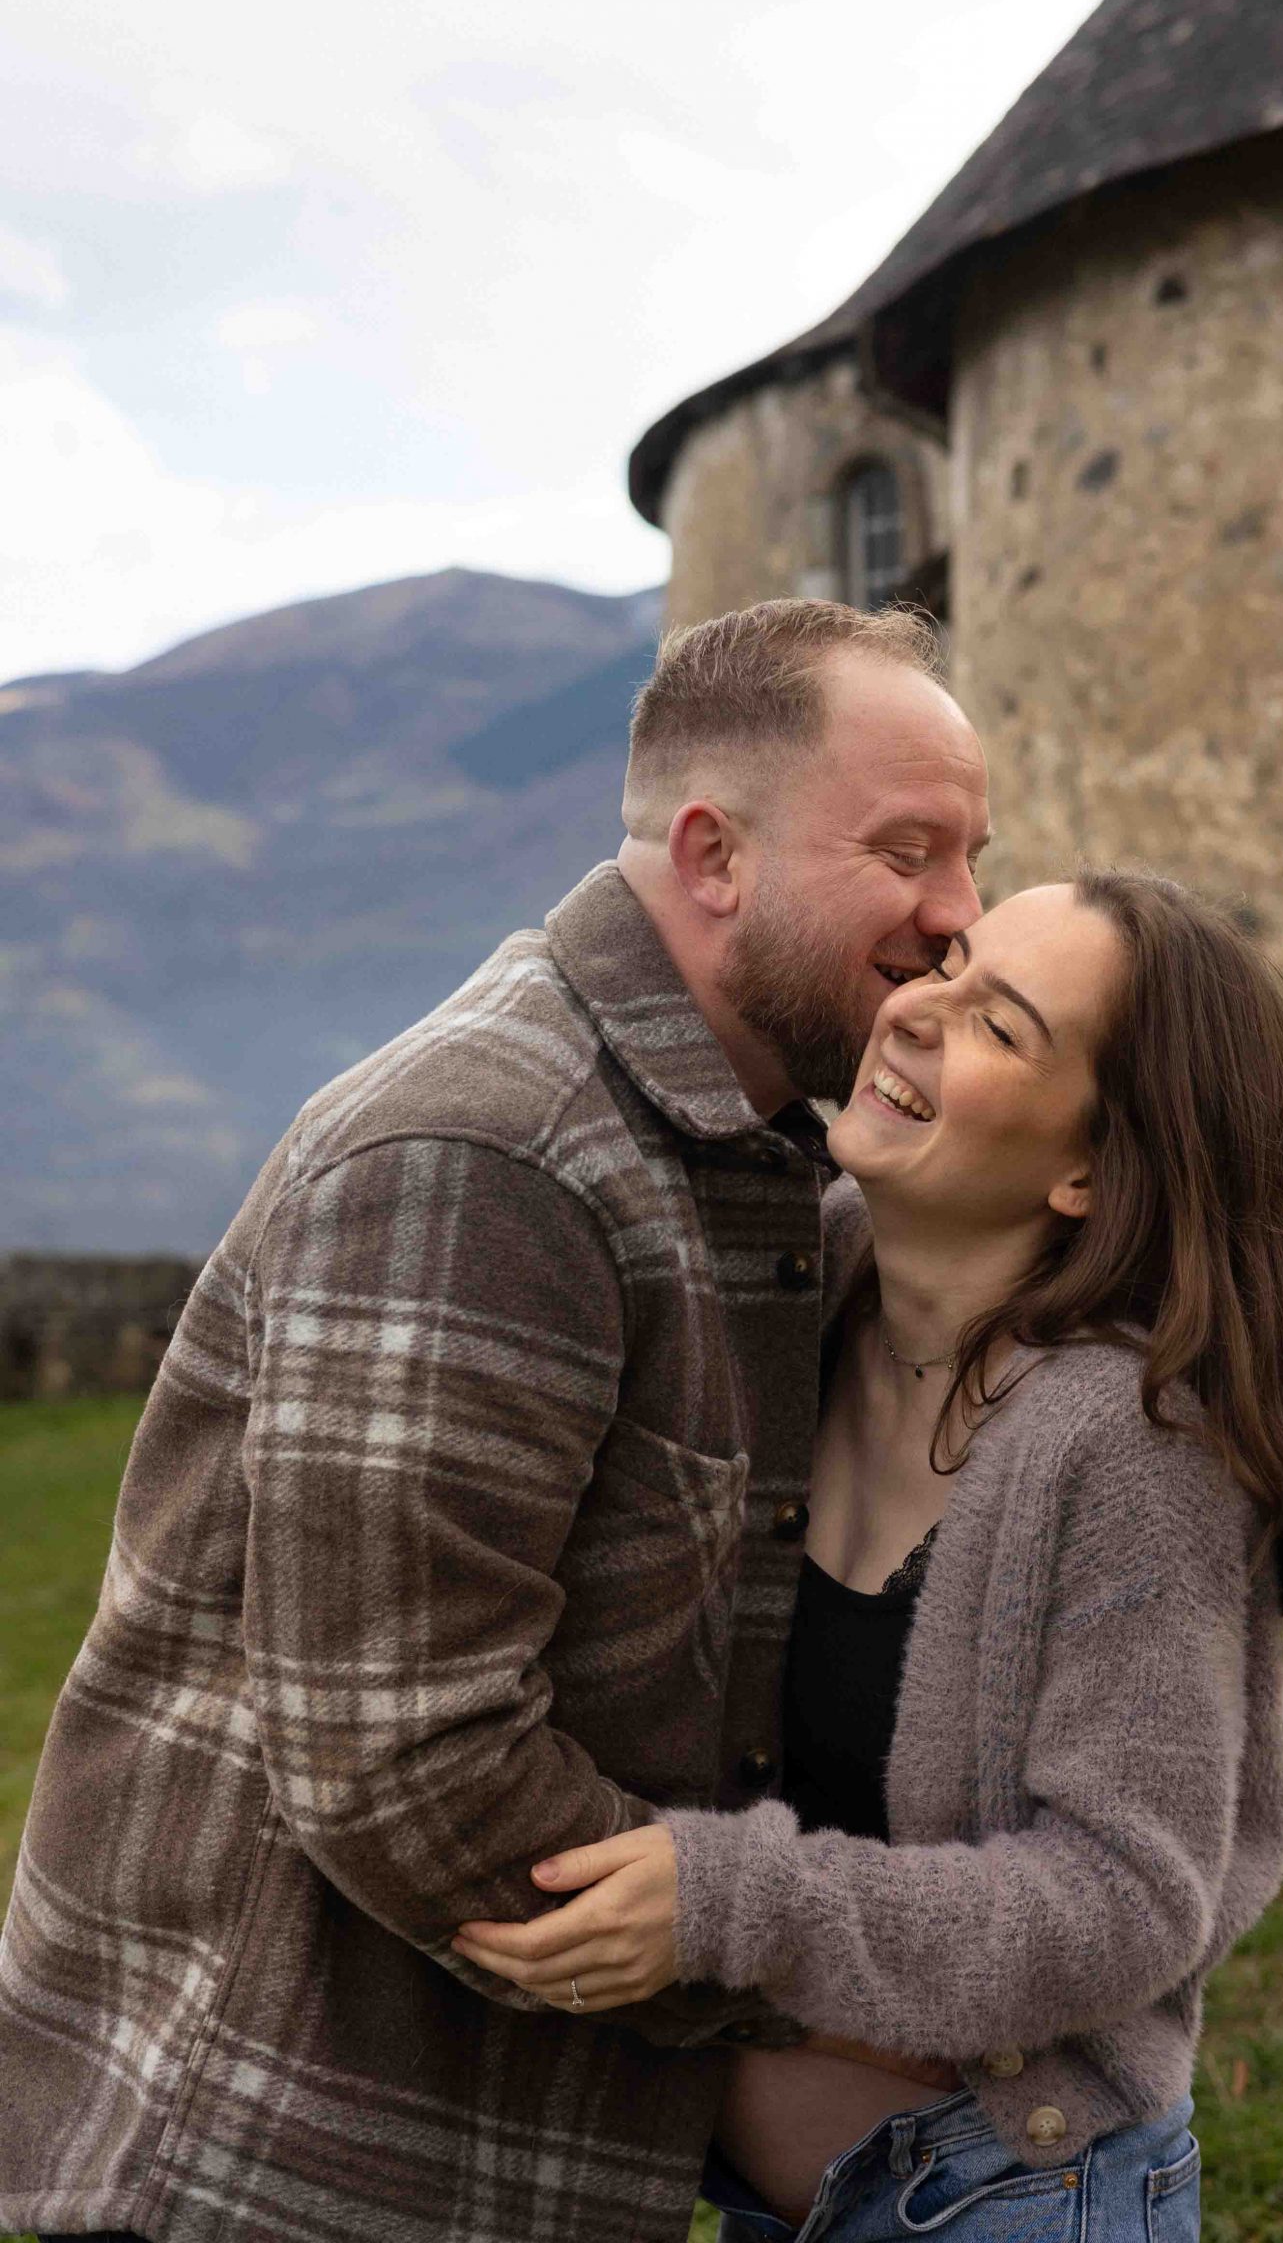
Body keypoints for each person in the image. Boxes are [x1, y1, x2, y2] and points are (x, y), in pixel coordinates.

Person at [0, 599, 988, 2243]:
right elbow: (409, 1761)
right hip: (294, 2155)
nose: (960, 918)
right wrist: (791, 1991)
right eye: (907, 852)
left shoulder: (735, 1150)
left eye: (973, 854)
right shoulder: (490, 1156)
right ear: (713, 854)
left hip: (489, 2140)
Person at [453, 869, 1283, 2241]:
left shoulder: (1131, 1447)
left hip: (1012, 2194)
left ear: (1092, 1170)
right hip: (764, 2203)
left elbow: (1128, 1899)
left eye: (1000, 1027)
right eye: (947, 966)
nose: (915, 1014)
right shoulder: (799, 1295)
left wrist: (728, 1902)